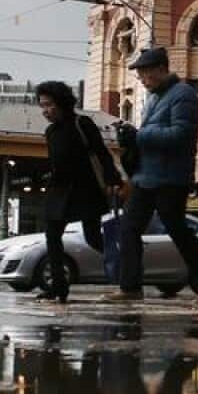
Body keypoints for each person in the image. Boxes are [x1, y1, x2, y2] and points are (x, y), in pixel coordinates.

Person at [107, 46, 198, 304]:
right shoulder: (153, 98)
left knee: (176, 228)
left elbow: (181, 135)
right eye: (139, 74)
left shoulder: (183, 94)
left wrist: (140, 136)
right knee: (128, 228)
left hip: (172, 177)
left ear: (161, 69)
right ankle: (130, 287)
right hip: (146, 176)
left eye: (144, 73)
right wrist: (132, 136)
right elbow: (152, 133)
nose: (141, 78)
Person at [35, 81, 121, 303]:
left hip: (85, 190)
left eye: (48, 105)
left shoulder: (82, 123)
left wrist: (112, 178)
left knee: (93, 237)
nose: (45, 111)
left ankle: (126, 270)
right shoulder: (51, 131)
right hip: (59, 190)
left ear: (62, 103)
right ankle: (58, 287)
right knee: (52, 236)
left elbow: (102, 153)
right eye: (42, 106)